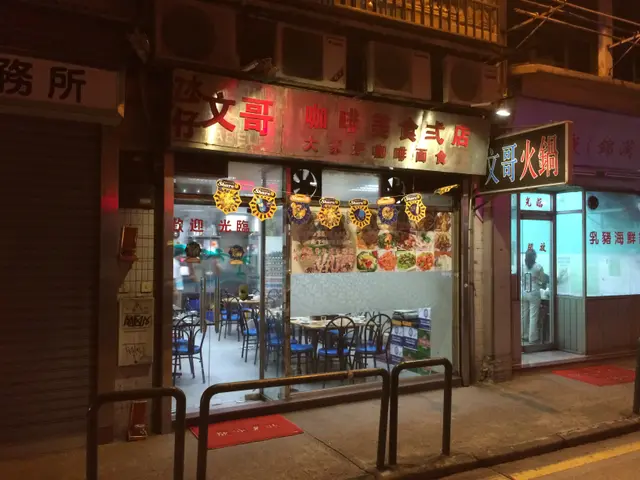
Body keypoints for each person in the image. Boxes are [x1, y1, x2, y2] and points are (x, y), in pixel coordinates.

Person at [521, 249, 544, 344]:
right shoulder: (538, 267)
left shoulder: (522, 267)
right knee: (533, 316)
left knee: (523, 315)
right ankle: (532, 338)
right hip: (534, 292)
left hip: (524, 292)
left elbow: (521, 279)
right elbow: (542, 280)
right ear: (534, 256)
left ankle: (524, 335)